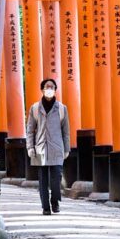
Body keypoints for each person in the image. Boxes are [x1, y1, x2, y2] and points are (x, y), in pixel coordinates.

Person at [26, 78, 70, 215]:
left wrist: (67, 149)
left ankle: (55, 201)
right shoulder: (34, 108)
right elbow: (30, 130)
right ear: (42, 89)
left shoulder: (62, 109)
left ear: (55, 89)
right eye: (47, 86)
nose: (49, 89)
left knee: (56, 178)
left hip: (57, 148)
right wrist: (30, 147)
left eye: (52, 87)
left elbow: (66, 131)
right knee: (43, 180)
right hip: (40, 147)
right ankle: (45, 207)